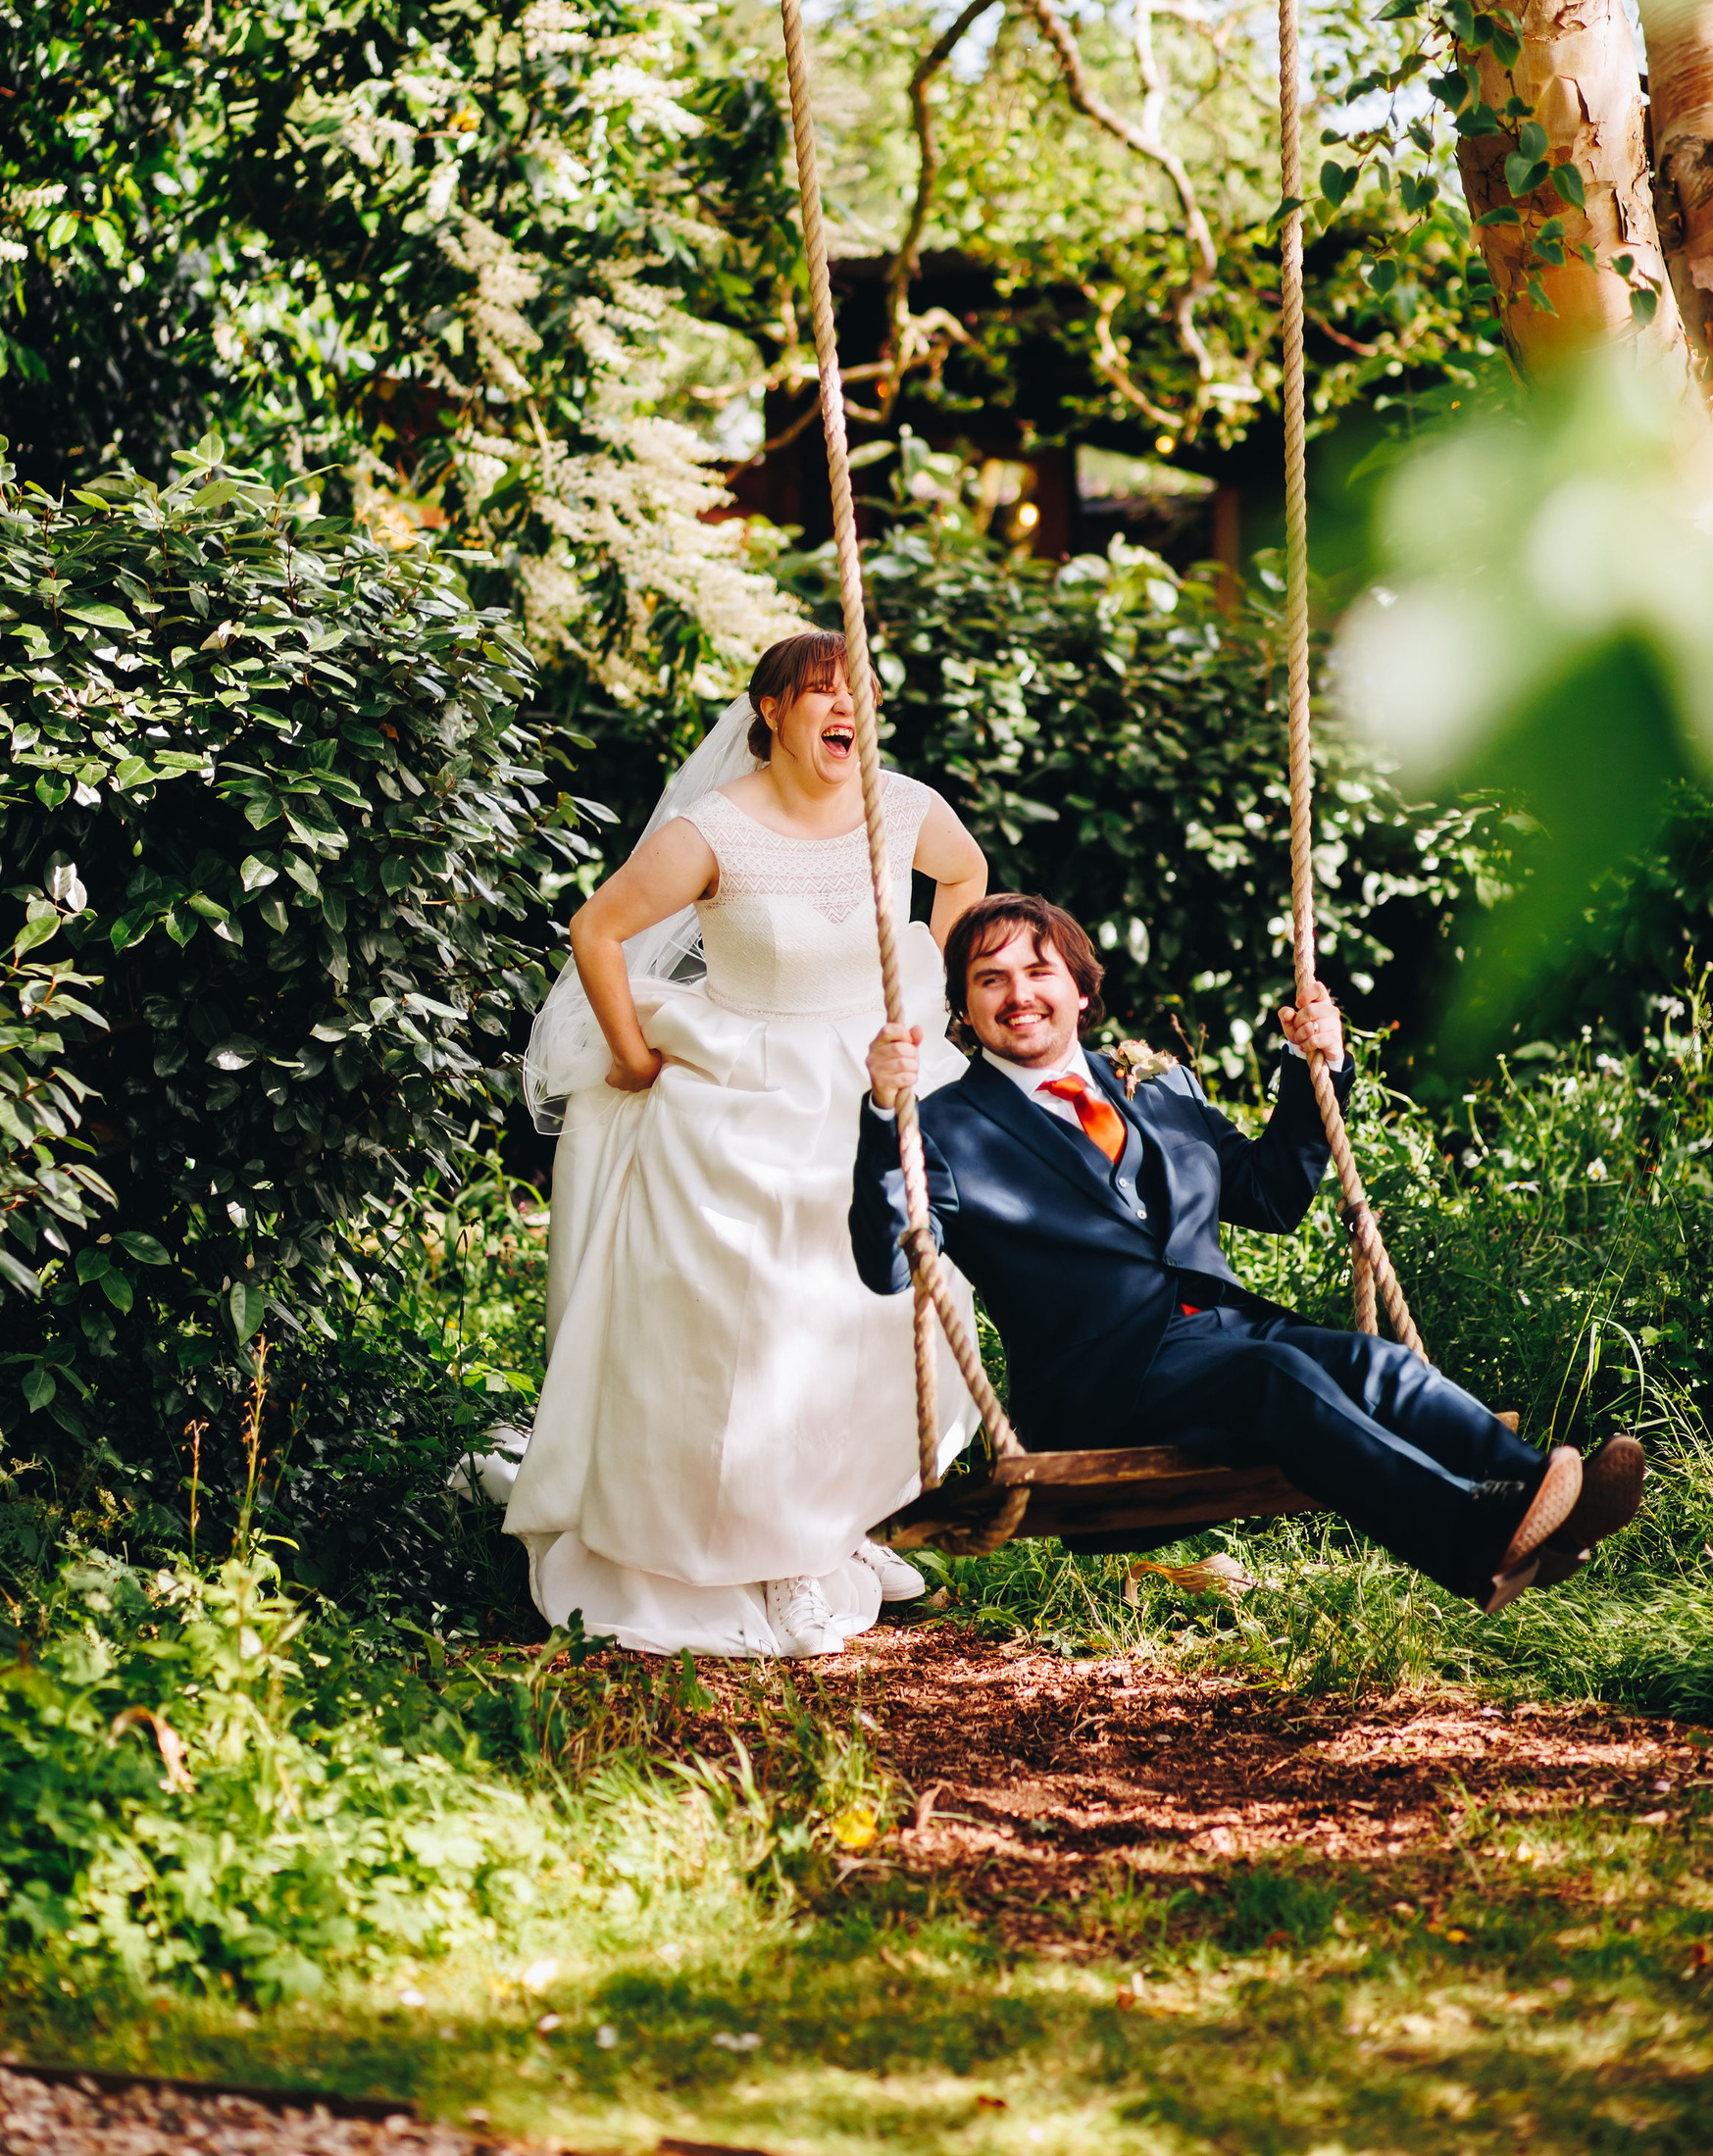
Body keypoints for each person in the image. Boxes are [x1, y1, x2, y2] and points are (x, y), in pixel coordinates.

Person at [850, 893, 1645, 1611]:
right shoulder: (943, 1126)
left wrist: (1314, 1071)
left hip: (1224, 1338)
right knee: (1281, 1378)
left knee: (1380, 1366)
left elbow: (1270, 1195)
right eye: (990, 980)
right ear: (964, 1006)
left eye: (1037, 970)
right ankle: (1478, 1537)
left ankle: (1543, 1498)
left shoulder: (1156, 1085)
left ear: (1082, 991)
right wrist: (887, 1118)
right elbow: (889, 1263)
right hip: (1100, 1392)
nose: (1018, 994)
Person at [503, 630, 989, 1658]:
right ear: (770, 713)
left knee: (871, 1322)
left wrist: (931, 992)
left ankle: (834, 1529)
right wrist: (633, 1058)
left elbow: (967, 873)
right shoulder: (714, 828)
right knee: (751, 1333)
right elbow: (598, 932)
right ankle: (761, 1555)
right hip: (747, 1101)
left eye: (860, 692)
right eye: (822, 692)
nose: (845, 709)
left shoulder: (901, 807)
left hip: (874, 1084)